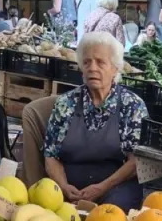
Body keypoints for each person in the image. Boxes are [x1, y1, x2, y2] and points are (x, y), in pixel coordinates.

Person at [42, 31, 147, 210]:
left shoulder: (132, 106)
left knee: (109, 220)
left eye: (100, 62)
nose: (92, 68)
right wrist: (64, 186)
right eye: (87, 62)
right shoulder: (66, 103)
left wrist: (101, 188)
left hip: (115, 187)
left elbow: (136, 161)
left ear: (115, 68)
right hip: (70, 188)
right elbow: (51, 155)